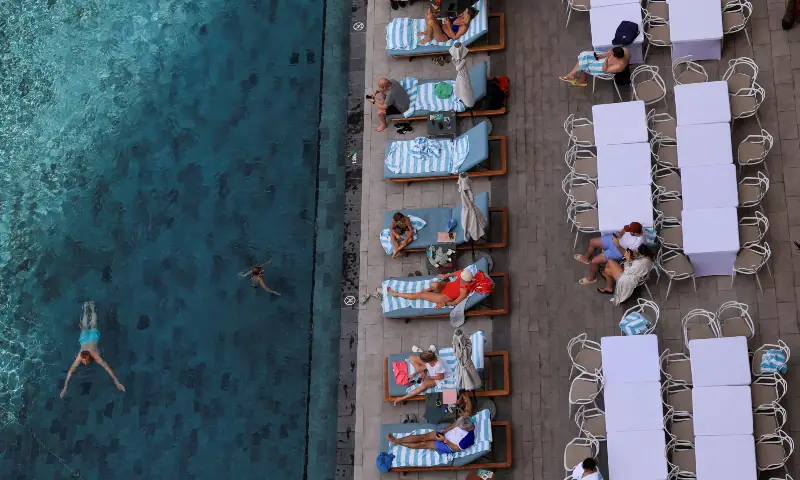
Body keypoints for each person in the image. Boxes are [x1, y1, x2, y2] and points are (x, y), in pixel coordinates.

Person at [60, 302, 125, 398]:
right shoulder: (81, 356)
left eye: (85, 361)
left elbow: (107, 368)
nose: (84, 363)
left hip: (90, 338)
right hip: (87, 339)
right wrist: (65, 387)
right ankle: (90, 308)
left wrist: (117, 382)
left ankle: (89, 308)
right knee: (88, 325)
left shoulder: (93, 355)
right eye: (84, 361)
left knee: (90, 325)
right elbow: (70, 372)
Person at [574, 222, 644, 285]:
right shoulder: (637, 227)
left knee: (594, 261)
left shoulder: (638, 243)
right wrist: (620, 235)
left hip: (619, 251)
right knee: (592, 241)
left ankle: (592, 278)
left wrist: (617, 245)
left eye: (630, 231)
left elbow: (627, 254)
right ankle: (586, 258)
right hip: (616, 240)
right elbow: (624, 229)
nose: (628, 231)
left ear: (635, 233)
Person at [386, 268, 475, 309]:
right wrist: (445, 275)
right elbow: (456, 273)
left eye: (461, 278)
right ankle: (428, 292)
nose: (460, 277)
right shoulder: (463, 274)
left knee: (420, 295)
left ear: (466, 281)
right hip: (446, 286)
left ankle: (396, 294)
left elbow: (456, 302)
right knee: (434, 284)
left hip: (445, 297)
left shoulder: (465, 290)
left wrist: (444, 304)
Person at [387, 415, 476, 453]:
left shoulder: (469, 439)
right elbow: (454, 425)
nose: (458, 426)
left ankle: (398, 442)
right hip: (444, 435)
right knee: (423, 437)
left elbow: (456, 448)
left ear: (466, 429)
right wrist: (445, 431)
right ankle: (397, 440)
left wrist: (444, 440)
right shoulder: (466, 420)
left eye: (460, 427)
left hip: (448, 445)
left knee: (424, 443)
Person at [560, 46, 630, 87]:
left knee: (585, 63)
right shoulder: (625, 50)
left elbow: (604, 69)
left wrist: (607, 58)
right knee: (584, 55)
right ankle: (573, 75)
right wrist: (603, 55)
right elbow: (610, 53)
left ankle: (580, 78)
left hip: (604, 67)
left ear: (616, 57)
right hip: (604, 58)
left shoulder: (619, 66)